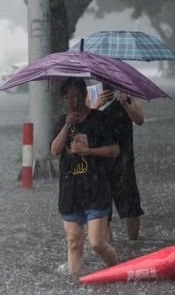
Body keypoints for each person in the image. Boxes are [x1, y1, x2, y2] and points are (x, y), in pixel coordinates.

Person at [50, 78, 120, 275]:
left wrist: (89, 151)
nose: (71, 101)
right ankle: (76, 284)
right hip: (70, 189)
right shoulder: (62, 121)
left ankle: (118, 272)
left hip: (96, 188)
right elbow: (54, 150)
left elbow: (115, 150)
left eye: (75, 96)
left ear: (84, 95)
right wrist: (66, 126)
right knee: (74, 242)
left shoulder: (100, 119)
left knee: (97, 242)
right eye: (67, 97)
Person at [88, 82, 145, 240]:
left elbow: (140, 120)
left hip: (124, 161)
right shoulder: (91, 92)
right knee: (103, 214)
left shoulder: (128, 91)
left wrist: (125, 104)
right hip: (99, 162)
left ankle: (132, 247)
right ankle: (110, 251)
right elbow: (84, 126)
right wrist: (95, 106)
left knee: (132, 210)